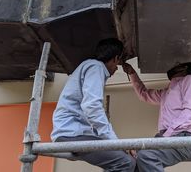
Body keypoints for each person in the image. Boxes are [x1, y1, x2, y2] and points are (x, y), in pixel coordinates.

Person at [51, 38, 136, 171]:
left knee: (129, 161)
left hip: (75, 133)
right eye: (118, 62)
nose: (117, 67)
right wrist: (116, 143)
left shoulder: (91, 67)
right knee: (124, 162)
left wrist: (118, 144)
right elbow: (92, 106)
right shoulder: (96, 67)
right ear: (115, 58)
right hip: (71, 133)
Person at [122, 62, 191, 172]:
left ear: (185, 68)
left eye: (177, 63)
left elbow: (190, 114)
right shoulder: (167, 92)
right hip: (168, 137)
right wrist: (132, 73)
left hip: (184, 138)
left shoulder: (190, 79)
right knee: (131, 159)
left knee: (147, 156)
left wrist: (166, 136)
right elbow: (144, 94)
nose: (172, 65)